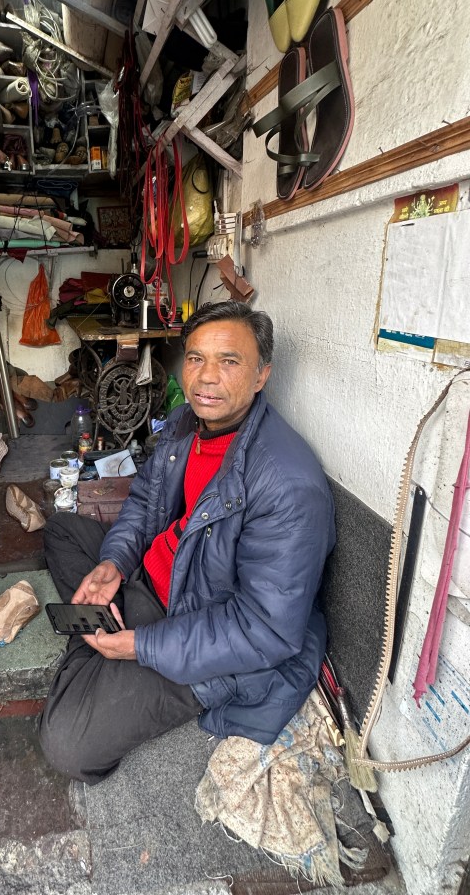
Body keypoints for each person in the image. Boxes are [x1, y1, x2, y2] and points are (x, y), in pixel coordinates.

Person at [38, 300, 335, 785]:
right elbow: (144, 502)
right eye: (196, 358)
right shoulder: (184, 425)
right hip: (153, 578)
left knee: (66, 745)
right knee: (63, 528)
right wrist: (114, 562)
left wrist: (144, 645)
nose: (206, 378)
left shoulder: (287, 485)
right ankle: (98, 636)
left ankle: (96, 645)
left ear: (262, 375)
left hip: (199, 627)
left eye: (229, 361)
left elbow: (264, 629)